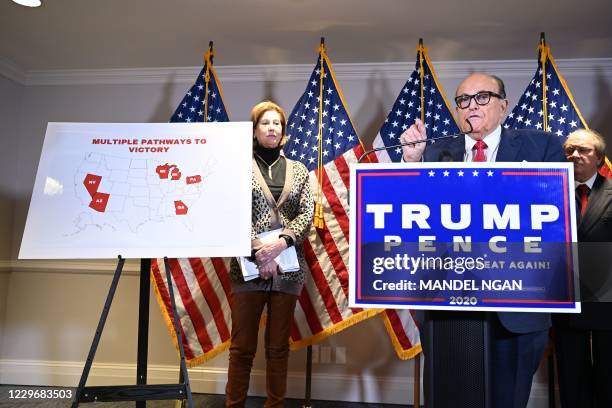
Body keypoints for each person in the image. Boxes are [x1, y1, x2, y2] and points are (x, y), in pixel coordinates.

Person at [400, 72, 565, 407]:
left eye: (482, 97)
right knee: (450, 397)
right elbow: (406, 217)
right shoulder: (431, 153)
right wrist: (410, 162)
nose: (471, 106)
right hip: (448, 305)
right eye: (463, 100)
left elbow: (553, 215)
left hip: (516, 307)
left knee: (507, 399)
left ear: (503, 105)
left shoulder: (541, 146)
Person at [225, 101, 314, 407]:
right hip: (247, 266)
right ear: (254, 129)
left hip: (289, 268)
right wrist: (259, 251)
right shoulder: (238, 166)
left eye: (277, 123)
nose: (272, 128)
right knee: (242, 348)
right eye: (265, 123)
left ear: (284, 131)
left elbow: (306, 214)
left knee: (278, 348)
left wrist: (279, 245)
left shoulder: (299, 170)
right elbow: (231, 210)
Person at [553, 129, 612, 407]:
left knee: (607, 376)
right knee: (570, 377)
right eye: (570, 149)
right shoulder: (550, 193)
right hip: (566, 297)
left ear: (599, 157)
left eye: (584, 150)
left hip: (607, 299)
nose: (575, 155)